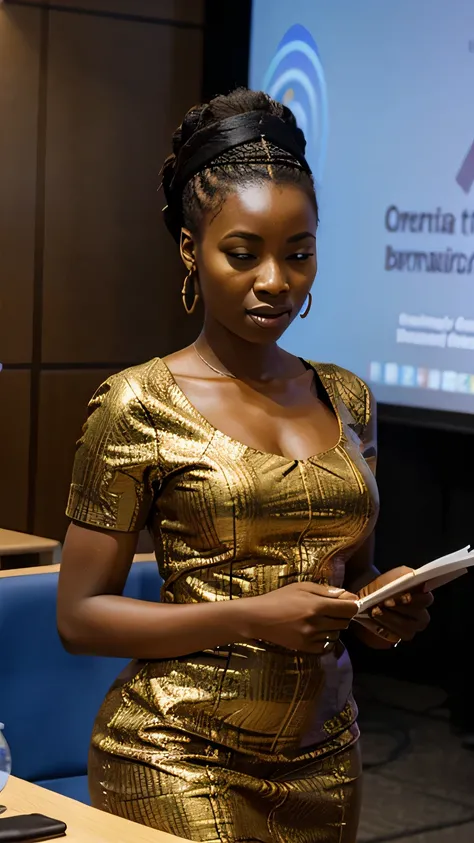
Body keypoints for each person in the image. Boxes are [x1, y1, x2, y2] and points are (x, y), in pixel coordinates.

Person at [57, 89, 432, 843]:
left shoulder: (348, 396)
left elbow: (346, 586)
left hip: (325, 754)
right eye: (244, 253)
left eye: (298, 253)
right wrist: (251, 615)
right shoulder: (136, 402)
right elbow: (79, 615)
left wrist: (386, 611)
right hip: (176, 752)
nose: (275, 280)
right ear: (192, 250)